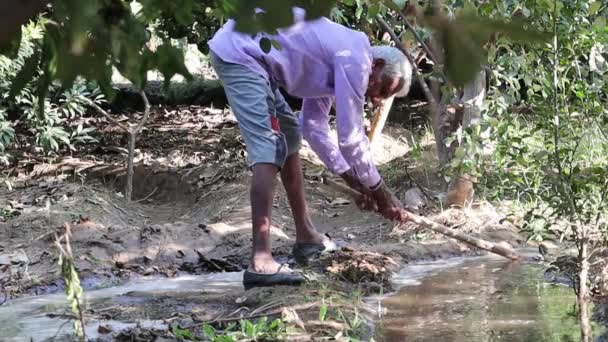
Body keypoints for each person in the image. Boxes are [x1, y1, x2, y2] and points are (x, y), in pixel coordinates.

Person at [208, 8, 412, 289]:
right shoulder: (354, 59)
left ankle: (305, 237)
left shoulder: (342, 60)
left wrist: (355, 181)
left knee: (289, 133)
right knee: (269, 145)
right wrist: (382, 193)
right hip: (240, 54)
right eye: (380, 88)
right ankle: (261, 262)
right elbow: (351, 138)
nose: (376, 99)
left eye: (383, 97)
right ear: (375, 64)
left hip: (254, 59)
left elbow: (313, 127)